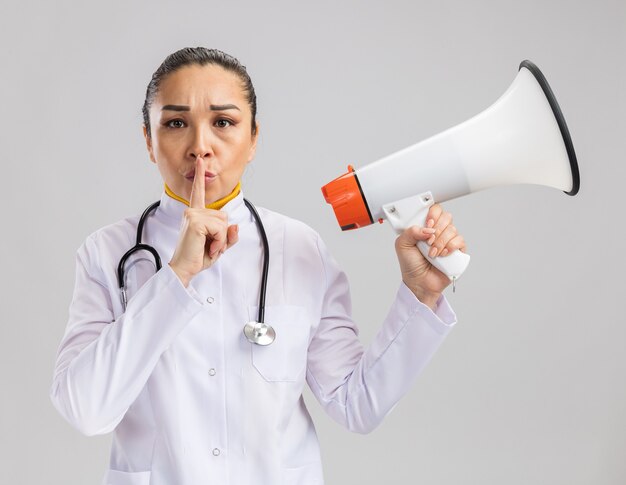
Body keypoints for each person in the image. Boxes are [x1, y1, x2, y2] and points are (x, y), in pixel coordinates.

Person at [50, 47, 467, 485]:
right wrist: (175, 277)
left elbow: (356, 405)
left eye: (223, 123)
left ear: (253, 139)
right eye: (175, 123)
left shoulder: (299, 247)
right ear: (148, 141)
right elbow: (84, 409)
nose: (200, 147)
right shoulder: (106, 253)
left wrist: (422, 295)